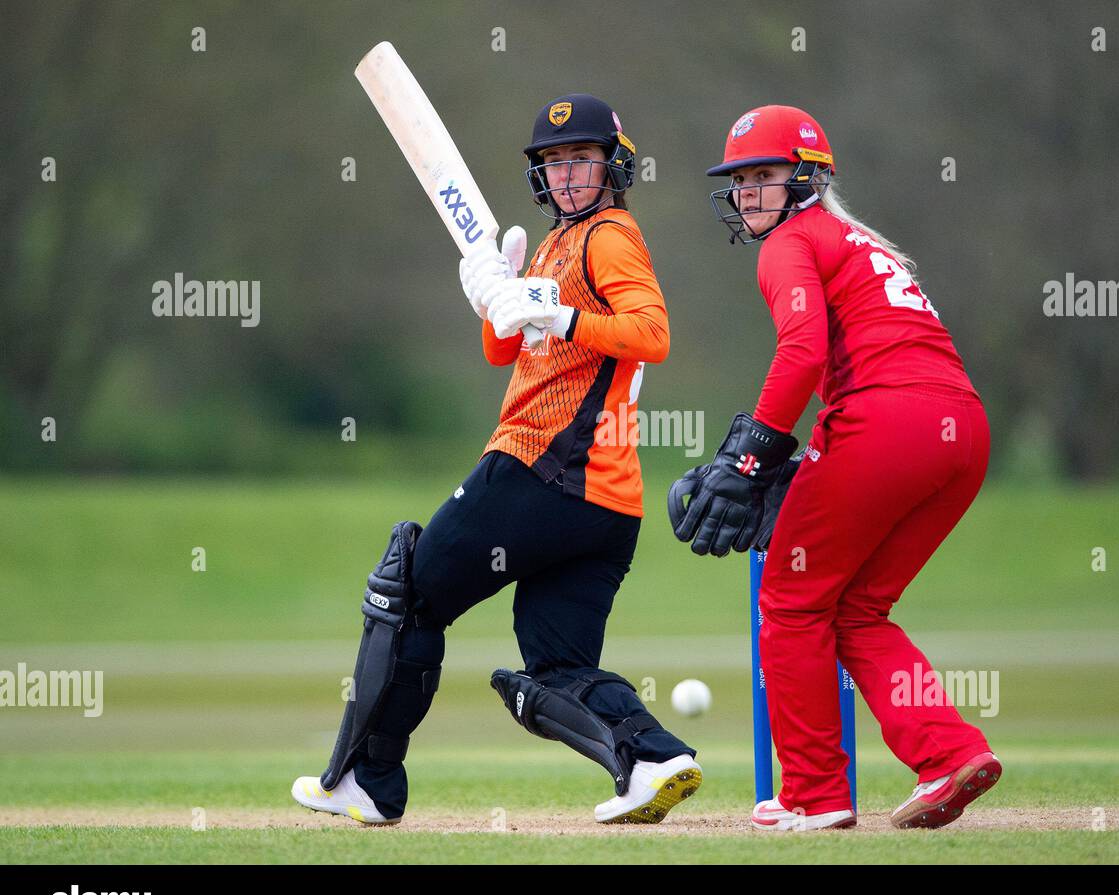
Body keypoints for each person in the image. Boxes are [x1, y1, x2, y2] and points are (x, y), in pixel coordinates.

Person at [293, 94, 700, 826]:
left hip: (540, 470)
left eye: (580, 159)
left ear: (613, 165)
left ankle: (368, 779)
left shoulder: (608, 236)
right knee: (557, 664)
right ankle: (652, 757)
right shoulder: (551, 245)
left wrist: (555, 311)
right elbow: (507, 350)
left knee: (409, 590)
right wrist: (495, 295)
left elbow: (652, 331)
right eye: (553, 163)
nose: (568, 175)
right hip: (604, 507)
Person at [669, 105, 999, 831]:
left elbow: (803, 353)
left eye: (765, 176)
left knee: (789, 602)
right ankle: (950, 751)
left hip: (883, 422)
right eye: (741, 179)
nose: (749, 192)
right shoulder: (859, 241)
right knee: (855, 607)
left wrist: (749, 456)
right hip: (962, 432)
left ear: (807, 179)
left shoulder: (789, 241)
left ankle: (815, 797)